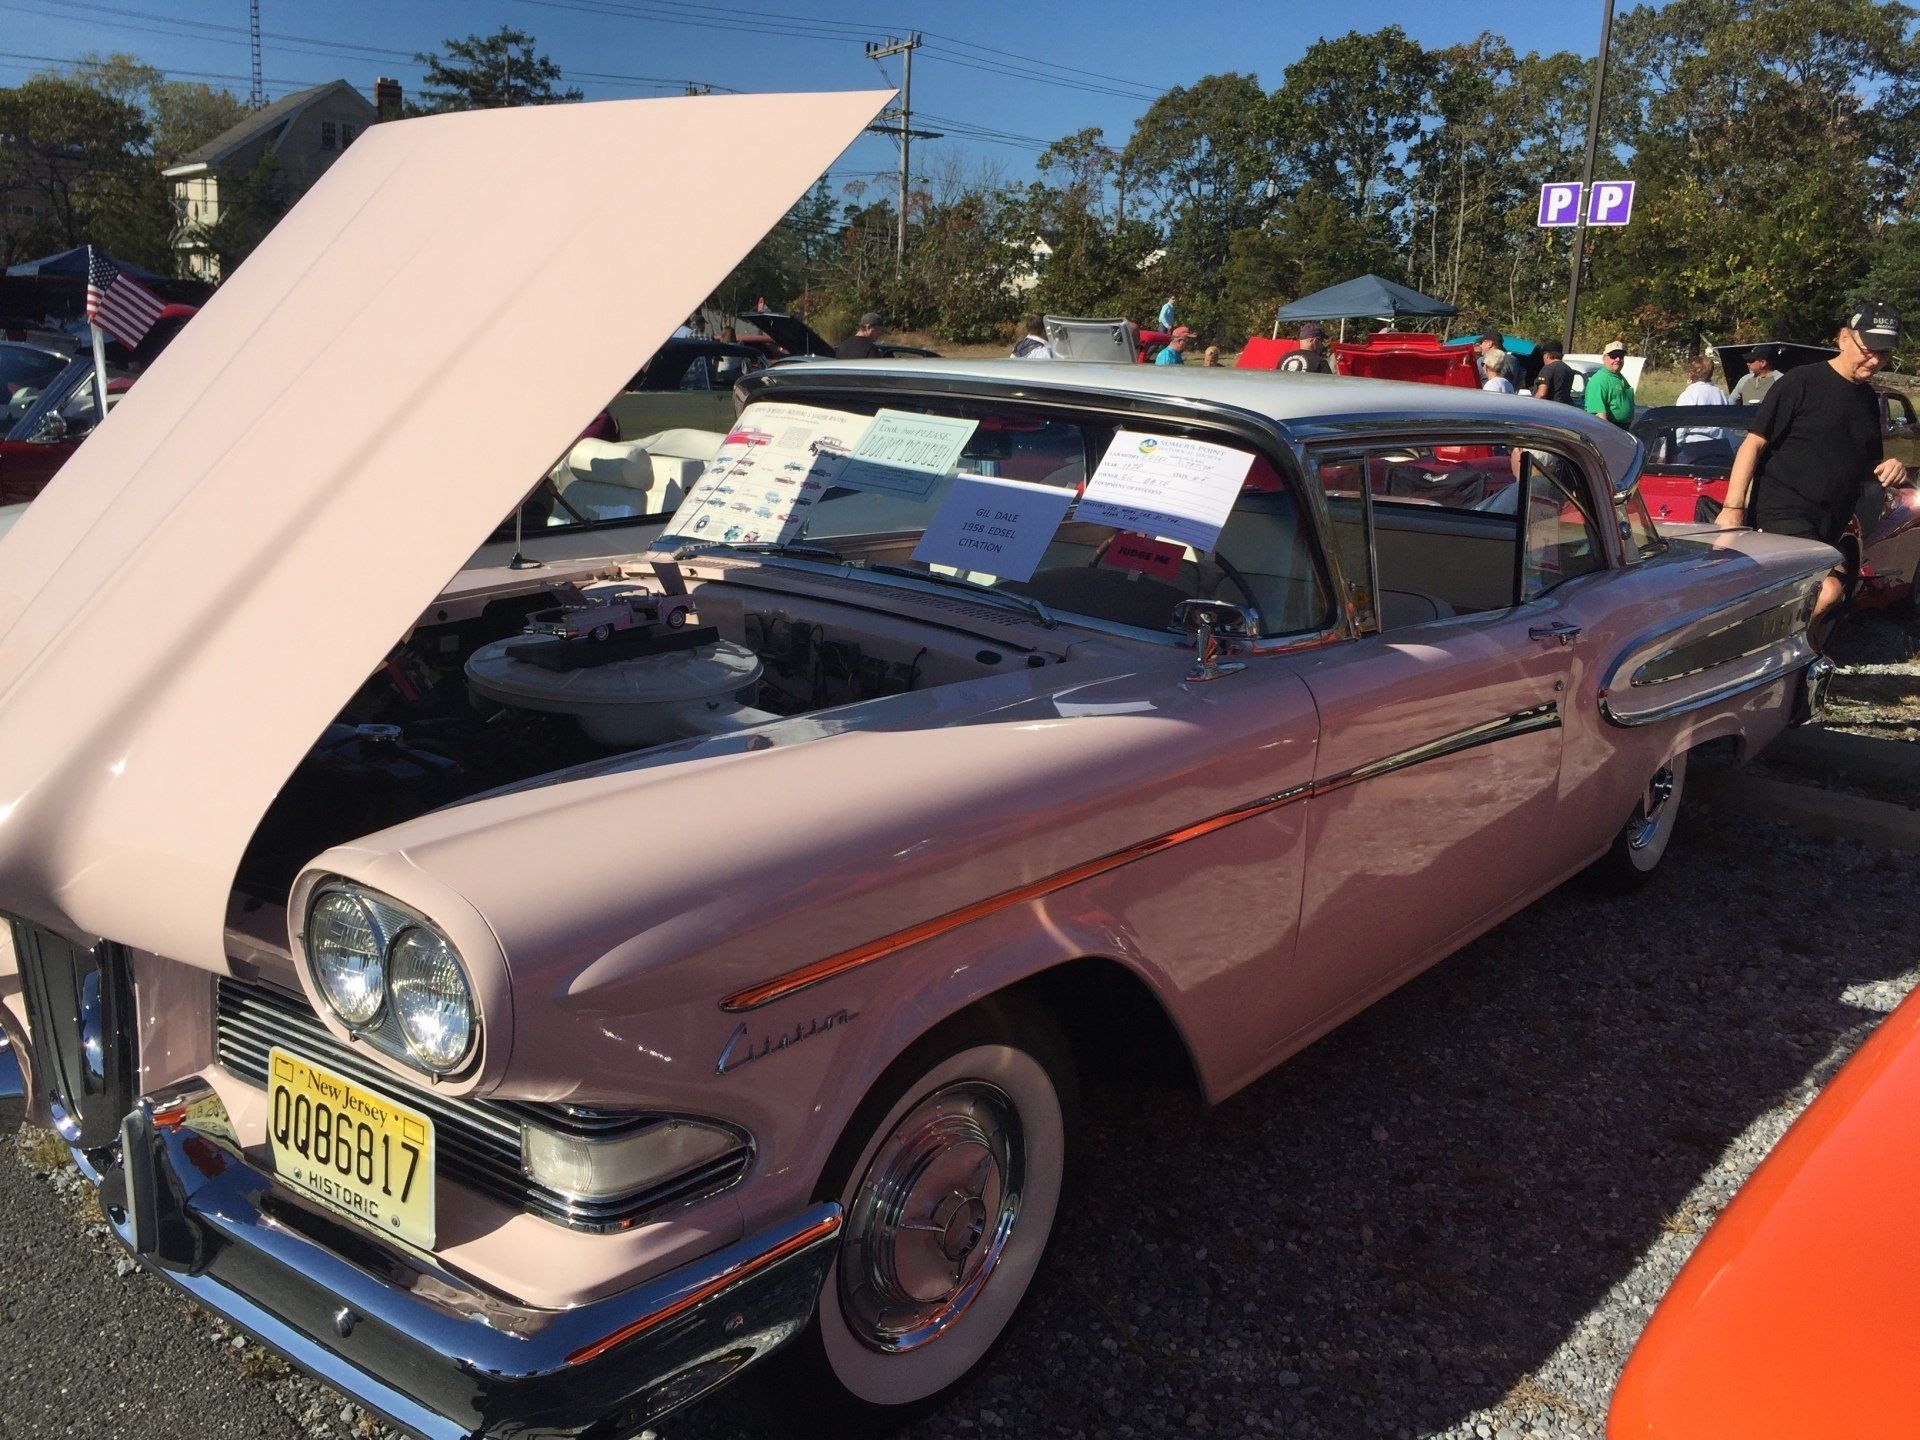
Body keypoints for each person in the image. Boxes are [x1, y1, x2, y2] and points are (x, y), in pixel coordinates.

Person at [1719, 300, 1911, 648]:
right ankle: (1766, 657)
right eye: (1868, 350)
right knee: (1826, 591)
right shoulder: (1802, 382)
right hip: (1782, 511)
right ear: (1843, 339)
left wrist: (1891, 469)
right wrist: (1732, 508)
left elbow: (1866, 467)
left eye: (1883, 354)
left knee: (1820, 600)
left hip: (1831, 523)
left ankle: (1788, 662)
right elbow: (1753, 444)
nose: (1874, 360)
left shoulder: (1868, 400)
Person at [1674, 353, 1734, 461]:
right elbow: (1727, 423)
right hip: (1719, 447)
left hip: (1693, 447)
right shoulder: (1720, 394)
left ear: (1691, 373)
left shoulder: (1689, 395)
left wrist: (1673, 447)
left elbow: (1679, 426)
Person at [1584, 339, 1635, 427]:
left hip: (1622, 428)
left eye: (1621, 356)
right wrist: (1609, 432)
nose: (1618, 359)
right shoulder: (1600, 380)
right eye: (1613, 356)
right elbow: (1598, 415)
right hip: (1609, 428)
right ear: (1604, 358)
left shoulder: (1619, 377)